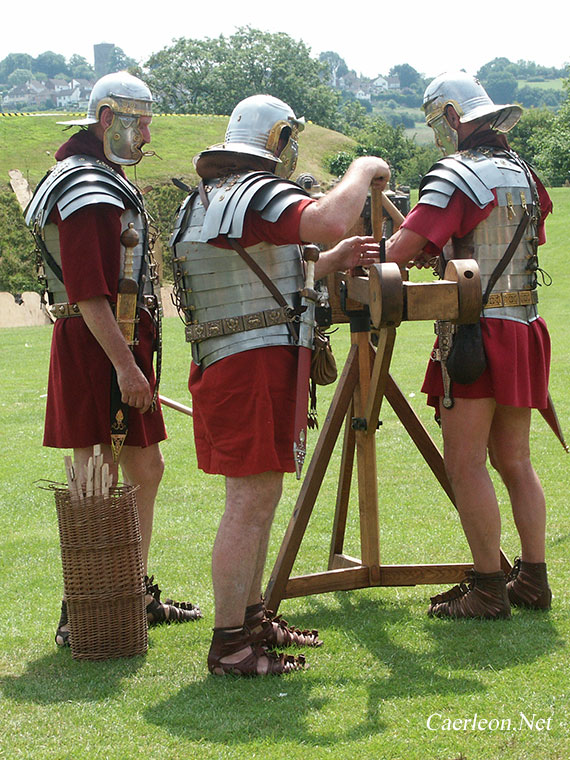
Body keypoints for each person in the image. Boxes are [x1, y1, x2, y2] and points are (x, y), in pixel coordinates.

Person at [171, 94, 390, 675]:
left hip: (243, 361)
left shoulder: (215, 200)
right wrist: (364, 168)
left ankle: (249, 623)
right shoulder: (254, 193)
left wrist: (328, 260)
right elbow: (327, 218)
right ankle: (231, 646)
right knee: (248, 504)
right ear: (279, 142)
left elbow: (263, 272)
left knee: (257, 500)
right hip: (248, 366)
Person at [25, 71, 201, 647]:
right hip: (99, 347)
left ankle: (130, 591)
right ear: (108, 120)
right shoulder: (86, 188)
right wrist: (125, 366)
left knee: (144, 470)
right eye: (141, 122)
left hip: (117, 344)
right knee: (95, 475)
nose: (147, 135)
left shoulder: (97, 179)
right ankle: (85, 607)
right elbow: (87, 290)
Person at [385, 71, 553, 619]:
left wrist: (369, 253)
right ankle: (531, 578)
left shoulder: (456, 176)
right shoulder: (524, 174)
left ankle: (486, 587)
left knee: (466, 463)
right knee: (516, 460)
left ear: (455, 117)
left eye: (440, 122)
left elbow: (403, 248)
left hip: (475, 335)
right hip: (522, 324)